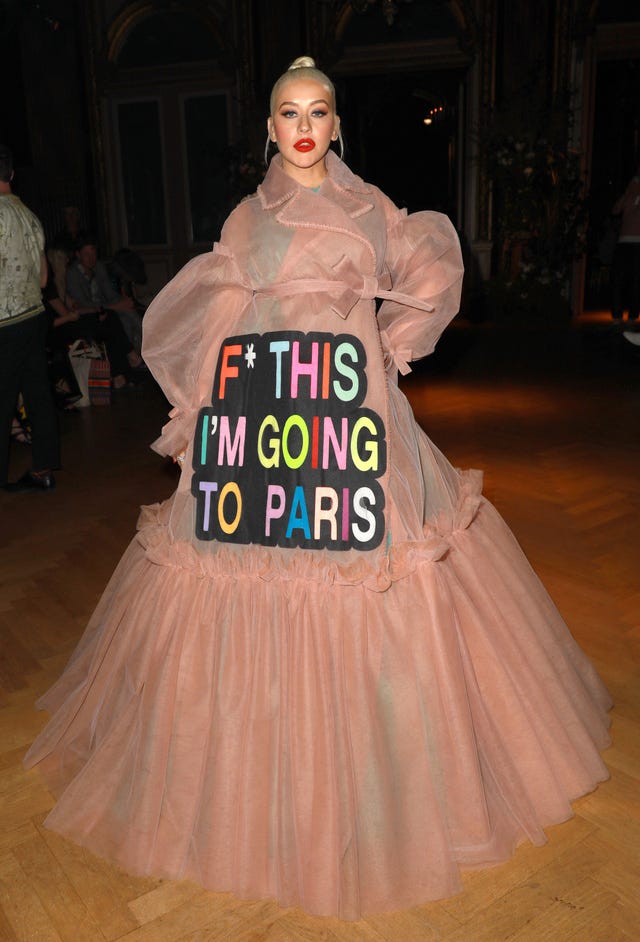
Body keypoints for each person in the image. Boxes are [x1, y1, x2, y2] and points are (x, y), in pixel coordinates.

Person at [23, 59, 611, 919]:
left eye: (319, 112)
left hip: (352, 413)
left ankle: (387, 767)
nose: (304, 127)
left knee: (376, 565)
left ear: (336, 124)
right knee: (256, 562)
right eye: (289, 114)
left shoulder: (371, 207)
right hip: (269, 421)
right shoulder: (244, 219)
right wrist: (204, 408)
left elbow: (429, 264)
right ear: (269, 129)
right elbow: (214, 317)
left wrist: (390, 344)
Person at [0, 144, 59, 492]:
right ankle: (43, 470)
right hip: (34, 317)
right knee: (38, 395)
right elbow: (43, 280)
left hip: (4, 322)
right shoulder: (31, 217)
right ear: (11, 174)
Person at [64, 233, 146, 388]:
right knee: (113, 319)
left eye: (93, 253)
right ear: (78, 255)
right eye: (86, 254)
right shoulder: (72, 273)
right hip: (85, 316)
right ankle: (130, 362)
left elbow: (109, 294)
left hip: (103, 311)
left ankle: (132, 363)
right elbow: (82, 305)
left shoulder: (99, 267)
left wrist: (124, 302)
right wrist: (114, 306)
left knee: (126, 315)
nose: (91, 258)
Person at [611, 163, 640, 322]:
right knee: (619, 279)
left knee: (636, 280)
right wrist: (628, 193)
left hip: (638, 242)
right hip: (623, 241)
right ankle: (617, 314)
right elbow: (615, 210)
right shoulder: (630, 190)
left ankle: (633, 315)